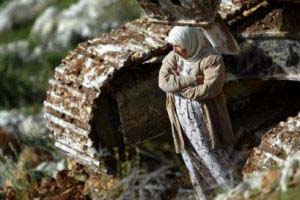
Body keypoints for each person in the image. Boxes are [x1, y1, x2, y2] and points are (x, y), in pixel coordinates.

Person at [158, 26, 236, 200]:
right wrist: (192, 80)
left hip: (205, 119)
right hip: (181, 120)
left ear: (190, 42)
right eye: (173, 45)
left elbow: (209, 89)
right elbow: (164, 83)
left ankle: (233, 191)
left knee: (211, 153)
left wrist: (180, 90)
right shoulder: (173, 57)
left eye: (178, 45)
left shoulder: (211, 58)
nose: (174, 50)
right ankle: (207, 196)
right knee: (190, 154)